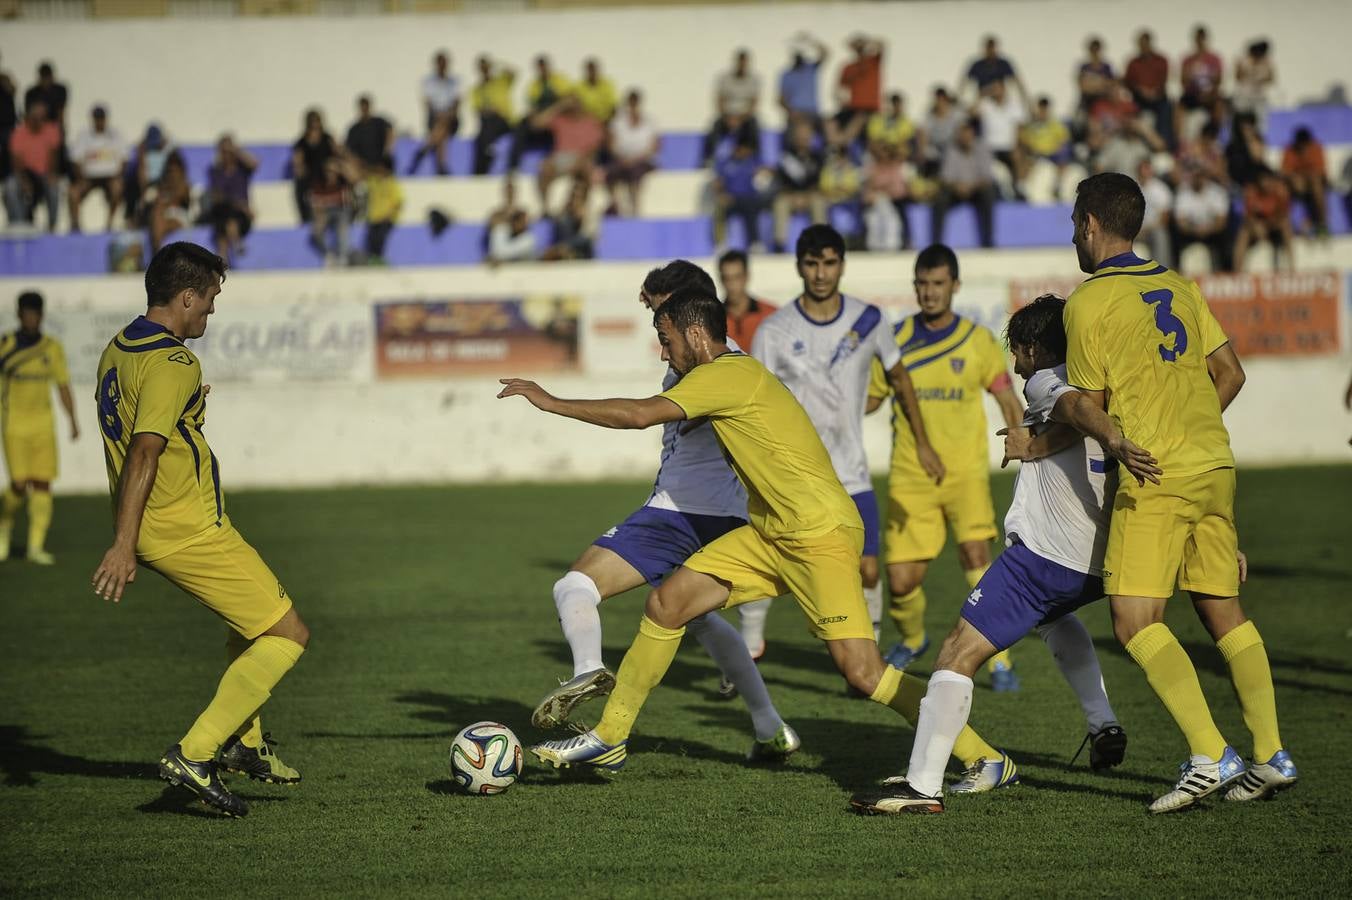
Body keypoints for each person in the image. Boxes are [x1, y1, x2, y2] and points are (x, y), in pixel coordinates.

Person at [506, 289, 1017, 795]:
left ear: (695, 333)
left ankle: (986, 757)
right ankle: (610, 737)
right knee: (668, 601)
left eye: (665, 340)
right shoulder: (727, 374)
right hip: (772, 532)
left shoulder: (726, 374)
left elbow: (641, 414)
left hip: (818, 534)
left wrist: (550, 400)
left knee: (863, 672)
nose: (663, 352)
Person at [849, 295, 1154, 814]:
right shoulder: (1112, 380)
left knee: (954, 655)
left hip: (1044, 558)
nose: (1015, 366)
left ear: (1033, 348)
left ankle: (922, 787)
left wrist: (1031, 441)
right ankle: (1102, 720)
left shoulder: (1046, 380)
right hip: (1100, 559)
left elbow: (1073, 410)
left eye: (1016, 352)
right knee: (1054, 621)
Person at [1063, 172, 1295, 813]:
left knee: (1134, 620)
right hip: (1213, 465)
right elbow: (1231, 373)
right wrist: (1188, 434)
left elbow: (1088, 403)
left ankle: (1209, 753)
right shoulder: (1180, 286)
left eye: (1073, 224)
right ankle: (1271, 754)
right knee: (1222, 607)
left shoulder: (1088, 303)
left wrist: (1116, 437)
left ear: (1090, 225)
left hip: (1155, 474)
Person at [525, 260, 800, 761]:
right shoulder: (720, 363)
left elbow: (638, 414)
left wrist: (552, 401)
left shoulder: (714, 369)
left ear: (683, 312)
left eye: (654, 306)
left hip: (679, 516)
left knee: (575, 586)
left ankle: (589, 669)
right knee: (695, 619)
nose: (651, 319)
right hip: (727, 518)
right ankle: (770, 725)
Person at [91, 243, 311, 818]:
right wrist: (121, 543)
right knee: (288, 634)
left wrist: (187, 407)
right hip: (186, 528)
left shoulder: (120, 348)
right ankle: (196, 753)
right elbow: (144, 450)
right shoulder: (173, 362)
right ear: (187, 296)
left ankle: (248, 743)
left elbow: (144, 420)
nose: (210, 312)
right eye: (209, 300)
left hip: (171, 524)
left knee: (251, 621)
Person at [742, 226, 944, 667]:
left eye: (829, 262)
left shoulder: (868, 320)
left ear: (842, 265)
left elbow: (900, 379)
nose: (820, 273)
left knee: (868, 570)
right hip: (791, 476)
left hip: (850, 472)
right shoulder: (774, 331)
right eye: (812, 263)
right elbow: (751, 399)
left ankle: (865, 656)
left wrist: (923, 442)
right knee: (767, 564)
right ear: (799, 266)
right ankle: (749, 645)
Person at [865, 244, 1026, 690]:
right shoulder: (894, 340)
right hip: (910, 475)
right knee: (901, 581)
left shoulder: (977, 340)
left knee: (976, 556)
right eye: (922, 283)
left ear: (955, 286)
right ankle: (914, 638)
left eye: (938, 284)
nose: (929, 292)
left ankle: (1000, 662)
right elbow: (871, 399)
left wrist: (1025, 443)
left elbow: (1006, 396)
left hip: (965, 473)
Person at [0, 291, 78, 565]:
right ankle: (5, 523)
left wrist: (73, 419)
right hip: (13, 426)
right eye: (27, 313)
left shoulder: (51, 348)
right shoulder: (5, 345)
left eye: (36, 313)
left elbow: (63, 385)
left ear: (42, 316)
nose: (32, 318)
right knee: (19, 485)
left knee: (42, 483)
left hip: (43, 426)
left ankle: (35, 546)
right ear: (19, 314)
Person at [931, 117, 996, 248]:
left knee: (988, 194)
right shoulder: (951, 150)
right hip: (955, 190)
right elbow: (945, 178)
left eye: (968, 134)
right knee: (940, 199)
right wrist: (958, 186)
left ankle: (988, 242)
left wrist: (971, 187)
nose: (965, 138)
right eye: (962, 134)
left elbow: (987, 177)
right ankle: (936, 243)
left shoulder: (982, 148)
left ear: (973, 134)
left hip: (976, 190)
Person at [68, 105, 126, 232]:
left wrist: (118, 175)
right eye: (97, 118)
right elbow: (75, 160)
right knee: (73, 193)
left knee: (117, 189)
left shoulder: (115, 135)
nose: (99, 121)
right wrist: (80, 177)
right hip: (88, 177)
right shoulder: (84, 135)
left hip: (110, 177)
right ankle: (76, 225)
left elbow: (123, 159)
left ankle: (109, 224)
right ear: (93, 119)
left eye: (102, 118)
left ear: (106, 119)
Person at [4, 100, 61, 229]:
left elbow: (54, 157)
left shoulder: (51, 130)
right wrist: (24, 180)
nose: (40, 121)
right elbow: (16, 161)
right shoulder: (19, 133)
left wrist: (52, 174)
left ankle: (52, 226)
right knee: (10, 186)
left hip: (44, 174)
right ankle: (18, 224)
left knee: (54, 188)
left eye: (42, 118)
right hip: (24, 173)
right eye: (36, 118)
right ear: (29, 118)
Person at [771, 119, 826, 252]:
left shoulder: (818, 157)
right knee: (780, 204)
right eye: (800, 135)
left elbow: (819, 182)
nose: (803, 138)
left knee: (819, 202)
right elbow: (781, 182)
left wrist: (806, 197)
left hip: (810, 196)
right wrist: (793, 196)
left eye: (806, 135)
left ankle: (820, 243)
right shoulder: (785, 156)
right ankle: (779, 244)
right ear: (794, 136)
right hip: (789, 196)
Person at [511, 55, 572, 172]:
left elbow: (567, 102)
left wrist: (548, 115)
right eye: (539, 68)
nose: (542, 70)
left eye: (544, 67)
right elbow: (533, 106)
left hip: (558, 116)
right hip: (541, 119)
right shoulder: (534, 85)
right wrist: (535, 118)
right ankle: (514, 166)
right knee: (520, 127)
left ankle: (556, 165)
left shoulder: (560, 80)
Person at [606, 89, 659, 217]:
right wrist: (622, 157)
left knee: (635, 172)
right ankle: (616, 204)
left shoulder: (649, 122)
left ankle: (635, 208)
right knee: (611, 173)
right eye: (631, 102)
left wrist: (635, 159)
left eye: (635, 102)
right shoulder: (618, 122)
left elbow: (653, 147)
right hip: (622, 160)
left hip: (642, 160)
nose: (633, 105)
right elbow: (611, 144)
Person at [703, 49, 762, 165]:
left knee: (754, 125)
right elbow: (719, 100)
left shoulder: (754, 80)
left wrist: (741, 119)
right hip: (727, 115)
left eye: (744, 63)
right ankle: (708, 158)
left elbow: (754, 103)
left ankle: (756, 158)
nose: (742, 66)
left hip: (745, 117)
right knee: (715, 126)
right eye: (740, 63)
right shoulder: (724, 78)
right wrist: (727, 117)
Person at [204, 134, 257, 262]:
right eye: (224, 151)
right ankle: (236, 243)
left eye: (229, 151)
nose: (226, 155)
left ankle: (223, 255)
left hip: (240, 216)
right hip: (225, 211)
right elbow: (217, 196)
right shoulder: (215, 171)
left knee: (228, 223)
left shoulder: (241, 169)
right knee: (226, 217)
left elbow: (254, 163)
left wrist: (237, 150)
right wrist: (238, 204)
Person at [712, 137, 769, 251]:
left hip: (750, 199)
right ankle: (720, 243)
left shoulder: (754, 161)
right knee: (719, 207)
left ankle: (755, 243)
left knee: (751, 208)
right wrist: (721, 194)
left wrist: (763, 173)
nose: (742, 152)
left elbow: (768, 174)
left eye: (745, 149)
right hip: (730, 199)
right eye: (739, 149)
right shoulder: (724, 163)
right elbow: (717, 183)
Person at [408, 51, 461, 176]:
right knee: (443, 133)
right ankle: (441, 166)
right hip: (435, 118)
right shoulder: (428, 82)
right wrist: (439, 114)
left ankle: (425, 148)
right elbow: (428, 104)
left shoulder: (454, 82)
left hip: (451, 119)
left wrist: (448, 114)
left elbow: (457, 103)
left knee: (443, 125)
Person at [1172, 164, 1232, 272]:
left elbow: (1221, 221)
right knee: (1175, 234)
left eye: (1201, 176)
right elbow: (1181, 222)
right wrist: (1195, 230)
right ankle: (1176, 269)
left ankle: (1225, 271)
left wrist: (1208, 229)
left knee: (1226, 235)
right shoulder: (1183, 193)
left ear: (1205, 177)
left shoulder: (1217, 192)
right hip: (1191, 231)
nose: (1198, 179)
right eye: (1195, 176)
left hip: (1212, 231)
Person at [1234, 166, 1294, 272]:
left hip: (1274, 226)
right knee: (1243, 233)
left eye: (1268, 180)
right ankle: (1238, 271)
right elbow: (1248, 216)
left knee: (1285, 225)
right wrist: (1256, 225)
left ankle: (1291, 266)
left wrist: (1272, 223)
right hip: (1258, 227)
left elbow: (1284, 215)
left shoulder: (1280, 191)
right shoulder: (1251, 192)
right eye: (1263, 180)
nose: (1265, 183)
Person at [717, 249, 776, 350]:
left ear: (747, 276)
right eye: (727, 278)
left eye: (737, 277)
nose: (731, 285)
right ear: (721, 279)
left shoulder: (771, 314)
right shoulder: (713, 319)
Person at [1123, 30, 1173, 148]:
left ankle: (1164, 143)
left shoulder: (1161, 60)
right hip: (1139, 99)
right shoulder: (1133, 63)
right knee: (1130, 113)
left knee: (1166, 109)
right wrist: (1141, 90)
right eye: (1141, 44)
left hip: (1158, 98)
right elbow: (1129, 82)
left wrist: (1154, 91)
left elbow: (1163, 80)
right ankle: (1139, 145)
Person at [470, 55, 516, 176]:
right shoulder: (477, 89)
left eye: (486, 67)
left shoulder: (501, 82)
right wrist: (492, 110)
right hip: (489, 124)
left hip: (506, 122)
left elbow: (513, 72)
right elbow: (478, 110)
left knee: (488, 126)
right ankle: (478, 172)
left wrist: (496, 62)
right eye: (482, 68)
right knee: (479, 138)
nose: (485, 70)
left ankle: (489, 150)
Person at [290, 109, 335, 225]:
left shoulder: (327, 139)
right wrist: (299, 167)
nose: (315, 125)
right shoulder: (302, 142)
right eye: (312, 123)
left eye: (317, 122)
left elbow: (336, 156)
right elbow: (297, 161)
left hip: (326, 179)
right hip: (309, 181)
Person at [1281, 127, 1328, 236]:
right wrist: (1295, 178)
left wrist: (1304, 178)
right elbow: (1284, 172)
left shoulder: (1316, 148)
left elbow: (1320, 172)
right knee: (1282, 189)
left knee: (1316, 185)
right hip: (1295, 185)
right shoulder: (1290, 150)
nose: (1302, 148)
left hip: (1314, 184)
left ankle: (1322, 225)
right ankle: (1285, 225)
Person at [778, 32, 828, 128]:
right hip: (796, 113)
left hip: (814, 112)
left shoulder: (811, 68)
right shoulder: (786, 74)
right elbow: (781, 99)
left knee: (830, 125)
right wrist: (791, 111)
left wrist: (810, 40)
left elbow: (825, 53)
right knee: (802, 128)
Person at [363, 155, 402, 265]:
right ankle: (373, 261)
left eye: (381, 167)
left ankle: (379, 261)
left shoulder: (392, 183)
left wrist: (388, 216)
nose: (378, 169)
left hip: (385, 219)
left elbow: (398, 202)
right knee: (370, 240)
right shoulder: (373, 180)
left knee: (379, 240)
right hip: (373, 218)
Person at [345, 95, 395, 170]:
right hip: (363, 167)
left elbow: (389, 131)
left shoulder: (379, 123)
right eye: (362, 108)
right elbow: (349, 150)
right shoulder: (355, 129)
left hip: (381, 164)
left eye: (366, 107)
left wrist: (387, 149)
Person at [1232, 40, 1275, 120]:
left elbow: (1271, 79)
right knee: (1242, 120)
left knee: (1260, 121)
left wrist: (1261, 80)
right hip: (1244, 97)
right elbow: (1238, 78)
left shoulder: (1267, 62)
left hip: (1259, 98)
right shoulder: (1243, 60)